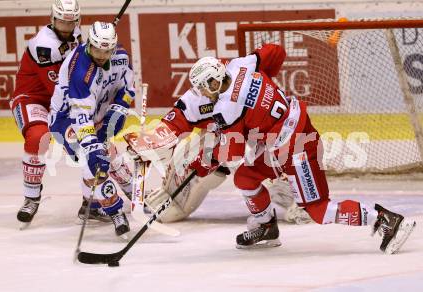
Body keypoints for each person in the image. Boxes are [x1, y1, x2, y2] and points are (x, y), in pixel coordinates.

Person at [186, 44, 416, 253]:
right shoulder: (242, 65)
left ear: (214, 82)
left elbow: (232, 152)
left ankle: (387, 220)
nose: (202, 94)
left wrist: (204, 163)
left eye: (202, 87)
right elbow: (275, 51)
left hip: (296, 146)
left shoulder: (227, 108)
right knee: (246, 178)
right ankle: (266, 226)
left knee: (318, 209)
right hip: (287, 134)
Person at [124, 83, 311, 225]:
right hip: (228, 141)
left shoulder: (242, 87)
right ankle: (170, 194)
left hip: (262, 139)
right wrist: (147, 143)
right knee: (184, 162)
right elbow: (171, 126)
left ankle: (300, 200)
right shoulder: (194, 101)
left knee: (259, 165)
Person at [49, 21, 135, 237]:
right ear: (89, 44)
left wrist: (119, 109)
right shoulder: (80, 71)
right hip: (66, 121)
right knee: (93, 162)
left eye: (107, 50)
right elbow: (80, 117)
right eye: (97, 49)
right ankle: (116, 212)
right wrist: (92, 147)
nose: (101, 55)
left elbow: (128, 88)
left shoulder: (121, 57)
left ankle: (94, 205)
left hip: (97, 115)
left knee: (110, 157)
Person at [10, 0, 82, 228]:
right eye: (61, 21)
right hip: (32, 99)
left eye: (71, 22)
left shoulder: (77, 34)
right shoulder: (43, 45)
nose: (66, 27)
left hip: (60, 98)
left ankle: (96, 199)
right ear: (53, 19)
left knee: (89, 139)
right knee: (37, 137)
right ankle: (31, 197)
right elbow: (57, 87)